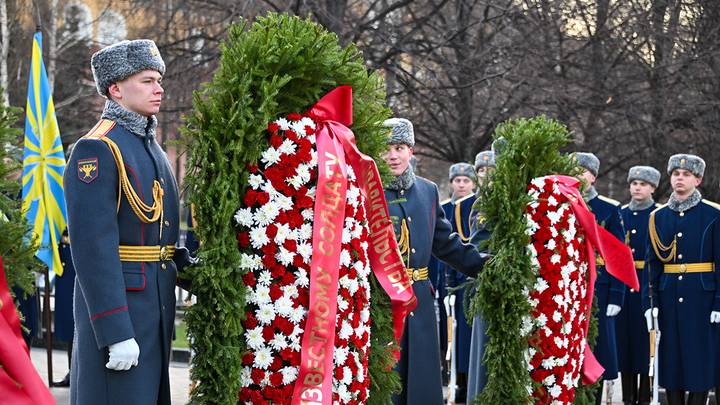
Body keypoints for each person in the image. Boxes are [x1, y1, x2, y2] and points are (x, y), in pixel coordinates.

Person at [64, 39, 191, 404]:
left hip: (154, 308)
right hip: (123, 313)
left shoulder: (149, 147)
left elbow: (159, 239)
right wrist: (114, 331)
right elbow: (93, 249)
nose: (159, 88)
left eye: (159, 79)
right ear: (115, 89)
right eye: (147, 80)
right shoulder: (98, 148)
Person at [382, 118, 487, 405]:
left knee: (422, 382)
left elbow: (446, 243)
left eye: (399, 147)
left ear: (411, 151)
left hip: (420, 302)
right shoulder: (369, 189)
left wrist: (485, 264)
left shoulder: (428, 191)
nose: (393, 155)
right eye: (386, 148)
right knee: (386, 382)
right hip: (382, 302)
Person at [643, 154, 720, 405]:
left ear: (697, 180)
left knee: (700, 360)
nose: (680, 178)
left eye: (686, 175)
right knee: (671, 361)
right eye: (676, 174)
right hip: (668, 298)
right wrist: (649, 304)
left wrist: (719, 302)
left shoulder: (713, 214)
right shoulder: (658, 217)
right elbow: (652, 266)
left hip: (702, 299)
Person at [575, 152, 627, 405]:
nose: (576, 175)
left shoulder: (608, 209)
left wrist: (617, 295)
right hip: (569, 284)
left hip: (601, 288)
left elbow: (618, 255)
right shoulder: (558, 204)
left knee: (597, 348)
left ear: (593, 177)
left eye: (582, 171)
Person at [617, 166, 660, 405]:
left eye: (643, 184)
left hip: (646, 282)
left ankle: (644, 396)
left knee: (645, 344)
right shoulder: (621, 213)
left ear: (652, 188)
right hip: (624, 283)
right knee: (625, 344)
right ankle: (627, 397)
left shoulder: (658, 214)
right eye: (634, 183)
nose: (637, 187)